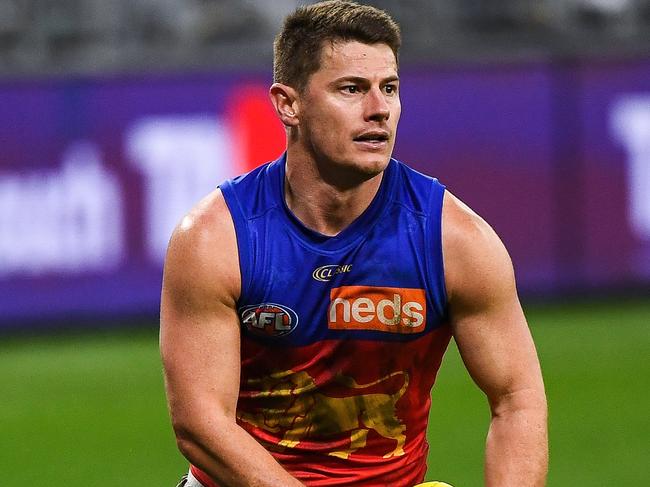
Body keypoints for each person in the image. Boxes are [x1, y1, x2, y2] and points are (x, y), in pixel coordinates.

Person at [160, 1, 548, 486]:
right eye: (352, 89)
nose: (379, 108)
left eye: (389, 88)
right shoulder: (215, 240)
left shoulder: (455, 240)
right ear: (288, 103)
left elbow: (517, 397)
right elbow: (200, 425)